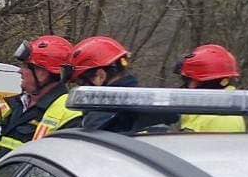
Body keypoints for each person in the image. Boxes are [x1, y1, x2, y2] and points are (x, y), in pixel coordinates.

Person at [35, 35, 176, 136]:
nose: (78, 91)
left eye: (80, 84)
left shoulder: (101, 120)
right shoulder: (151, 107)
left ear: (100, 76)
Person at [0, 35, 72, 169]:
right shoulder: (14, 105)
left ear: (43, 73)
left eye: (26, 66)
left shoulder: (68, 114)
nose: (20, 71)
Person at [175, 44, 248, 134]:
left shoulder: (223, 119)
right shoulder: (204, 110)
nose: (185, 86)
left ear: (203, 82)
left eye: (188, 80)